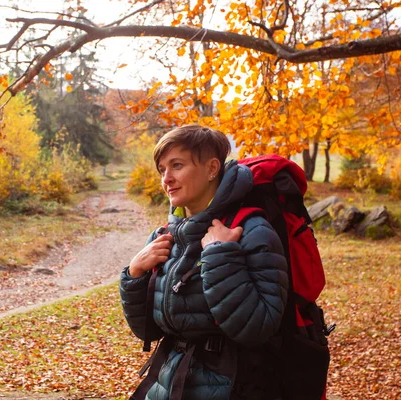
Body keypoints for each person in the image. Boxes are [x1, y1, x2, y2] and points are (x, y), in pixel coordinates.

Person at [119, 124, 289, 400]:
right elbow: (148, 331)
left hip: (233, 385)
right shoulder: (165, 236)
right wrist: (135, 273)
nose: (167, 178)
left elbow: (260, 326)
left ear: (212, 169)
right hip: (170, 382)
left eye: (177, 165)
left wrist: (220, 255)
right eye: (162, 169)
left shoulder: (252, 230)